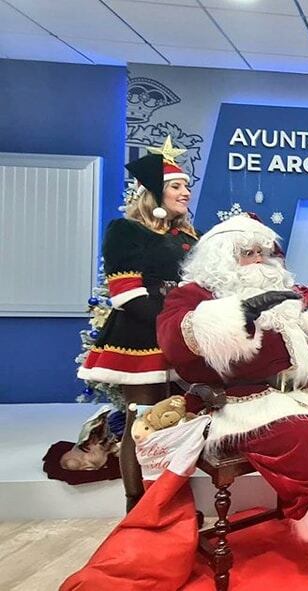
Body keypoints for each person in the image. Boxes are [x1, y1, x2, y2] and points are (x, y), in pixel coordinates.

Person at [156, 213, 308, 591]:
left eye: (262, 252)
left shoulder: (281, 291)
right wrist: (240, 315)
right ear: (221, 257)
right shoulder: (194, 294)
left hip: (296, 394)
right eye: (247, 252)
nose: (258, 260)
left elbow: (305, 334)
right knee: (301, 438)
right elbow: (174, 342)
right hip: (239, 402)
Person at [78, 138, 199, 511]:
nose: (185, 193)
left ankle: (168, 501)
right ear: (153, 193)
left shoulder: (186, 237)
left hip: (175, 333)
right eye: (176, 186)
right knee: (141, 422)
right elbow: (125, 292)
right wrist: (170, 325)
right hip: (140, 337)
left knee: (174, 419)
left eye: (187, 187)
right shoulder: (125, 230)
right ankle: (138, 505)